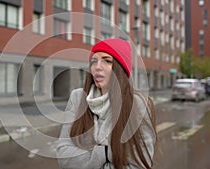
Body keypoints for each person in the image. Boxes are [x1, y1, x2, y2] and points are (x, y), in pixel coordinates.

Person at [56, 38, 157, 169]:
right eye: (94, 61)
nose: (97, 67)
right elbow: (64, 154)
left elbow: (139, 164)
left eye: (107, 61)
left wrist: (86, 159)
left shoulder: (138, 104)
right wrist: (105, 153)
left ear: (120, 69)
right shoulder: (77, 97)